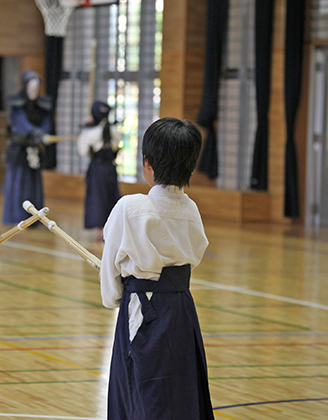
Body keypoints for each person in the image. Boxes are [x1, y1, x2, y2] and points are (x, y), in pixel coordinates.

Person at [99, 117, 214, 420]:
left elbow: (111, 269)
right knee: (179, 392)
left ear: (147, 163)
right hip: (181, 310)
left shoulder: (130, 206)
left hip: (144, 311)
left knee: (141, 392)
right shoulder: (190, 208)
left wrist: (116, 295)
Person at [2, 70, 52, 224]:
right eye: (31, 87)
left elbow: (46, 123)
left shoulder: (42, 106)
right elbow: (20, 123)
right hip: (18, 150)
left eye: (36, 88)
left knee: (34, 183)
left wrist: (43, 134)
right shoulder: (17, 106)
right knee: (18, 182)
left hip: (34, 150)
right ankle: (16, 216)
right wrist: (34, 133)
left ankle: (34, 218)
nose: (33, 91)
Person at [77, 101, 121, 242]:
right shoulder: (114, 130)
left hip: (97, 168)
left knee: (98, 199)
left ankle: (102, 230)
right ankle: (110, 230)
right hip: (111, 168)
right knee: (110, 197)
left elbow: (82, 150)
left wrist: (85, 133)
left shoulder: (90, 132)